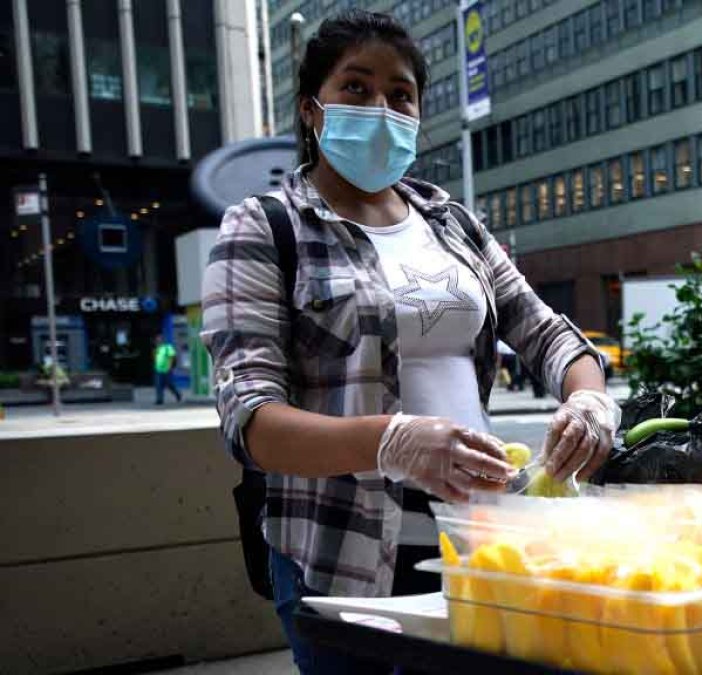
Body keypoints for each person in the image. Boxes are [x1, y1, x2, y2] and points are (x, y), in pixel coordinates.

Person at [200, 12, 616, 673]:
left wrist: (590, 402)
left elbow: (548, 333)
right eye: (357, 89)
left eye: (401, 95)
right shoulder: (265, 227)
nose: (382, 108)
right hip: (340, 552)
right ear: (313, 110)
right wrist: (390, 440)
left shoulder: (451, 222)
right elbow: (250, 418)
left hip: (477, 539)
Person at [153, 334, 182, 405]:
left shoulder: (167, 347)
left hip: (167, 370)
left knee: (170, 385)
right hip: (158, 370)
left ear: (162, 340)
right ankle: (159, 399)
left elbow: (172, 357)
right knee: (158, 385)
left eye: (159, 340)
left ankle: (177, 394)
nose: (158, 341)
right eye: (157, 340)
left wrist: (170, 367)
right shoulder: (157, 349)